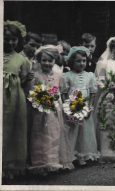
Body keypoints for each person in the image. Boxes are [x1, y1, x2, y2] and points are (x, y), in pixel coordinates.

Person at [28, 45, 74, 175]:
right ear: (39, 60)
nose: (47, 63)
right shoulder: (36, 75)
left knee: (55, 133)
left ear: (55, 61)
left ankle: (55, 160)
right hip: (40, 109)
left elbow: (60, 90)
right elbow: (32, 92)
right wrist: (40, 101)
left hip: (55, 108)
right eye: (44, 60)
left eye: (50, 60)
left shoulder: (58, 74)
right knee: (41, 134)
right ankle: (42, 162)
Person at [60, 46, 100, 165]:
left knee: (85, 131)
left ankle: (86, 153)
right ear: (72, 61)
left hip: (85, 107)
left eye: (84, 60)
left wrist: (90, 107)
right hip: (72, 107)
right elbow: (63, 93)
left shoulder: (90, 75)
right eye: (78, 61)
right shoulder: (67, 76)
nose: (82, 63)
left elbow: (92, 93)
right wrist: (67, 109)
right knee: (73, 130)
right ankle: (73, 154)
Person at [3, 20, 31, 179]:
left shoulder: (21, 59)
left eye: (13, 39)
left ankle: (8, 164)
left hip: (13, 99)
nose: (10, 42)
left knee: (10, 129)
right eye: (6, 38)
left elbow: (24, 79)